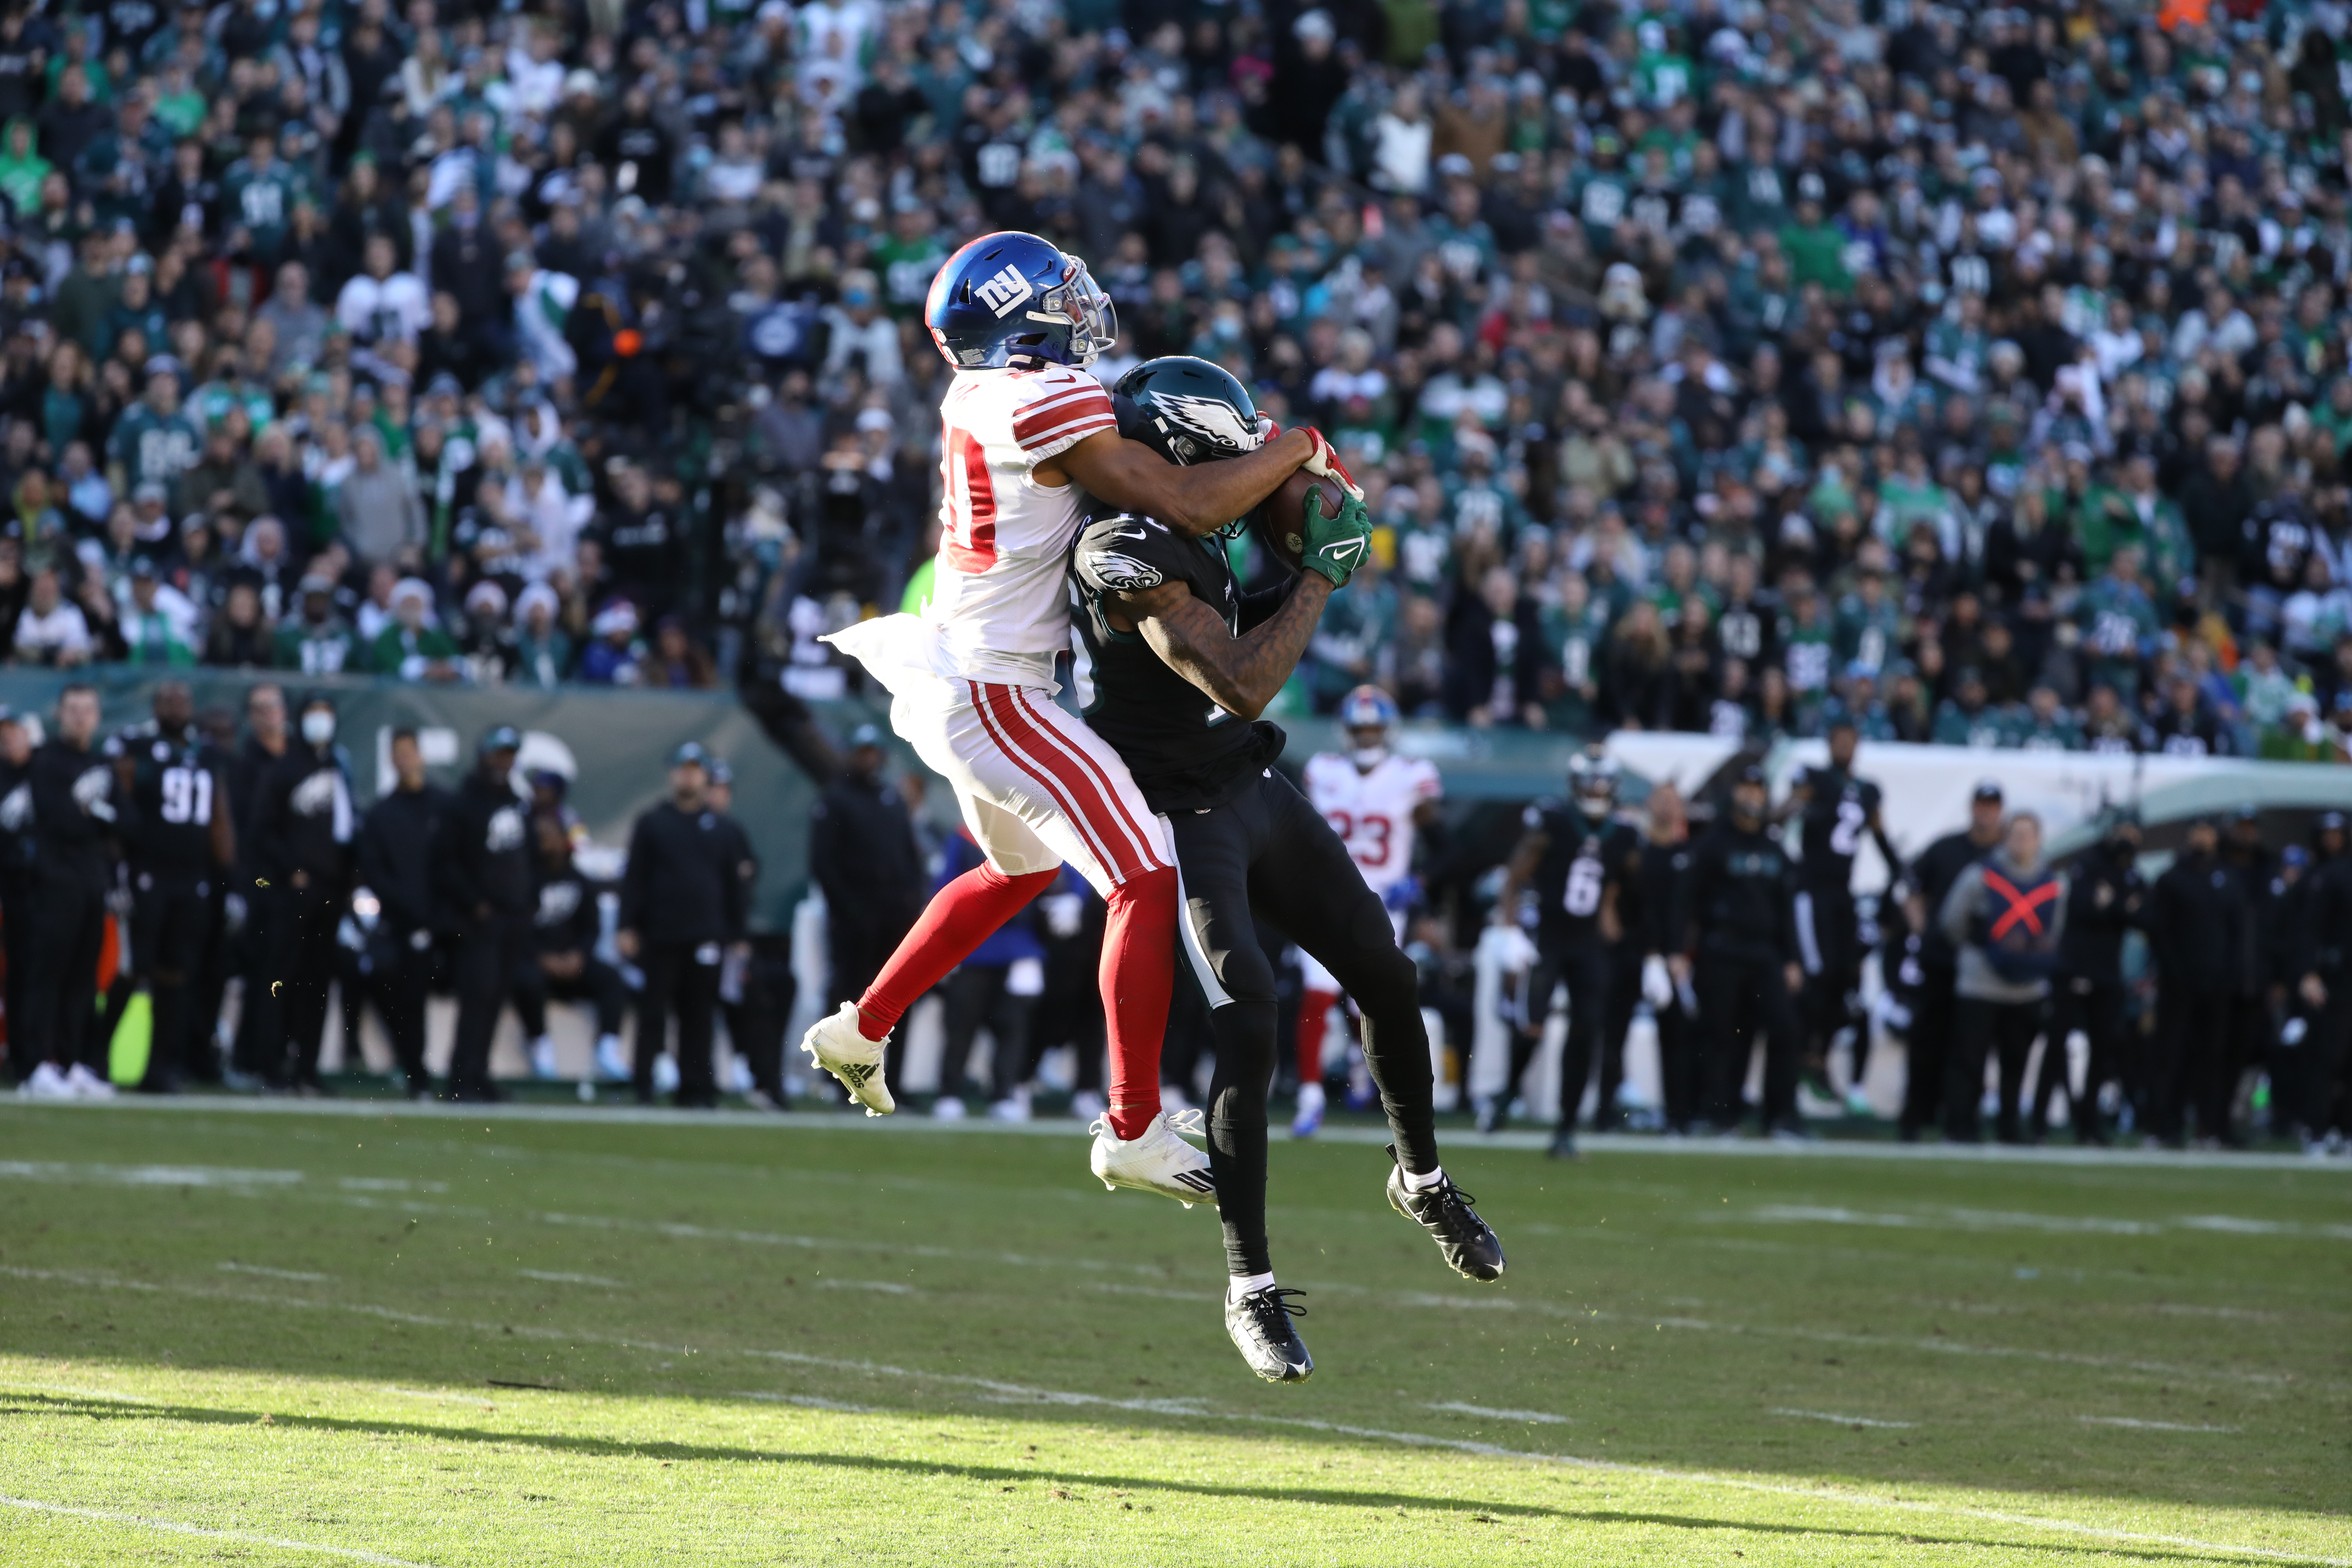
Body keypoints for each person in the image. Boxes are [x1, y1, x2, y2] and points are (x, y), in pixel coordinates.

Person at [807, 231, 1356, 1206]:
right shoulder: (1036, 396)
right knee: (1144, 870)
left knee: (1019, 869)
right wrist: (1296, 448)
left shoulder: (983, 395)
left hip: (964, 672)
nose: (1081, 306)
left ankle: (862, 1029)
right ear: (1023, 316)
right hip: (996, 690)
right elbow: (1186, 504)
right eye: (1061, 295)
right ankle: (1132, 1126)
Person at [1066, 354, 1499, 1383]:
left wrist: (1307, 507)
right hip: (1178, 813)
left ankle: (1420, 1176)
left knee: (1385, 973)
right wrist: (1316, 575)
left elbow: (1265, 547)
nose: (1247, 480)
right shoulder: (1118, 545)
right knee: (1249, 1015)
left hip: (1247, 785)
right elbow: (1241, 677)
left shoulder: (1191, 520)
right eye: (1229, 462)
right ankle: (1249, 1285)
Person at [1291, 684, 1443, 1138]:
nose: (1368, 737)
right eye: (1361, 729)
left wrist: (1420, 881)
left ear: (1389, 731)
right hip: (1326, 894)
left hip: (1381, 900)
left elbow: (1443, 841)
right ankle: (1310, 1097)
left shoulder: (1410, 775)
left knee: (1372, 999)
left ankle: (1366, 1076)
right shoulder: (1324, 771)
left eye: (1375, 729)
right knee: (1317, 993)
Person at [1490, 744, 1643, 1157]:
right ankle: (1506, 1094)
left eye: (1601, 782)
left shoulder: (1624, 834)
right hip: (1549, 937)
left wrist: (1612, 913)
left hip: (1588, 941)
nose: (1595, 789)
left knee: (1586, 1030)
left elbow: (1615, 883)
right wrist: (1511, 931)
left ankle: (1567, 1125)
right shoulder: (1554, 821)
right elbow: (1514, 875)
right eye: (1588, 782)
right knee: (1533, 1027)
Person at [1673, 763, 1806, 1137]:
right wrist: (1679, 950)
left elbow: (1786, 909)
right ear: (1734, 794)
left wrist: (1793, 958)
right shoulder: (1713, 843)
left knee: (1785, 1028)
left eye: (1758, 789)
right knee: (1722, 1035)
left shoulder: (1774, 847)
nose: (1752, 796)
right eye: (1746, 789)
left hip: (1765, 953)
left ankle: (1778, 1116)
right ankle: (1720, 1114)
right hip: (1722, 949)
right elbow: (1687, 902)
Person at [115, 681, 234, 1092]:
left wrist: (229, 876)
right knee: (134, 969)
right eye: (168, 700)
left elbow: (220, 817)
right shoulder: (138, 748)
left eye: (182, 699)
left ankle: (162, 1064)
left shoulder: (206, 754)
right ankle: (96, 1057)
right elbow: (122, 801)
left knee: (177, 974)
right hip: (148, 874)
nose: (176, 706)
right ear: (155, 706)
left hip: (192, 879)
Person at [618, 743, 749, 1108]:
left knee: (700, 1016)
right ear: (672, 773)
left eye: (696, 769)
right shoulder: (653, 822)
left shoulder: (721, 828)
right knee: (653, 1012)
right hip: (660, 934)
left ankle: (696, 1088)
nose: (689, 775)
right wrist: (627, 925)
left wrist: (737, 935)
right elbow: (635, 878)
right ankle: (644, 1084)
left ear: (705, 775)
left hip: (706, 935)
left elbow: (733, 887)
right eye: (683, 768)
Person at [1786, 708, 1902, 1115]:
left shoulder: (1868, 789)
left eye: (1850, 739)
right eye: (1838, 738)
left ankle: (1817, 1056)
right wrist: (1799, 808)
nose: (1844, 746)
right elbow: (1788, 811)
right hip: (1812, 891)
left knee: (1843, 976)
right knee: (1817, 973)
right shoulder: (1813, 779)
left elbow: (1881, 837)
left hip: (1842, 894)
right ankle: (1806, 1057)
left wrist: (1904, 876)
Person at [807, 724, 925, 1092]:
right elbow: (824, 864)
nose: (870, 758)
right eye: (863, 752)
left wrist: (912, 905)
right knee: (849, 997)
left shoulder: (890, 798)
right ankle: (834, 1082)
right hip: (854, 923)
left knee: (897, 998)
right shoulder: (836, 799)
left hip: (894, 921)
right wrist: (850, 910)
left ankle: (895, 1081)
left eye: (875, 751)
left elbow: (910, 856)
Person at [1938, 812, 2068, 1143]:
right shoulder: (1979, 877)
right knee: (1970, 1059)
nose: (2021, 842)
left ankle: (2009, 1126)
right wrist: (1982, 950)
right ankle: (1962, 1124)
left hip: (2027, 987)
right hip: (1981, 983)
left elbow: (2056, 929)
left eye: (2028, 835)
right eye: (2015, 835)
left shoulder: (2053, 883)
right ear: (2005, 838)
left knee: (2017, 1061)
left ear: (2039, 840)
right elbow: (1953, 922)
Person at [250, 693, 356, 1093]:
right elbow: (262, 830)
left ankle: (306, 1067)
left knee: (317, 981)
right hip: (293, 891)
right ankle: (270, 1065)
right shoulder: (283, 770)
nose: (320, 722)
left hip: (330, 890)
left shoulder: (337, 766)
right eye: (314, 715)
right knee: (280, 979)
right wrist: (289, 869)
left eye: (326, 715)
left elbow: (347, 831)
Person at [16, 685, 117, 1097]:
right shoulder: (46, 762)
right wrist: (97, 817)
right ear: (59, 714)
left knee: (82, 980)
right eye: (72, 709)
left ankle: (71, 1061)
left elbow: (127, 820)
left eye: (87, 709)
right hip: (55, 882)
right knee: (47, 976)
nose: (80, 717)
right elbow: (61, 820)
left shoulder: (100, 763)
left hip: (93, 882)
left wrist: (96, 815)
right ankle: (35, 1064)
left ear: (97, 715)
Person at [1899, 780, 2005, 1140]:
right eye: (1981, 804)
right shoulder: (1946, 848)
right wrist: (1921, 928)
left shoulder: (2007, 856)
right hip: (1940, 959)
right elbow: (1911, 889)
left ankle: (1961, 1121)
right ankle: (1915, 1118)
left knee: (1971, 1050)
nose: (1986, 812)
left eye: (1992, 806)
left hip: (1984, 968)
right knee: (1926, 1041)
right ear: (1972, 807)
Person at [434, 727, 534, 1102]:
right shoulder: (463, 803)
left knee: (495, 998)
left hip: (512, 915)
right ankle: (461, 1076)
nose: (504, 762)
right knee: (476, 997)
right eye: (499, 754)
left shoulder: (515, 802)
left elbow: (527, 857)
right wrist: (473, 902)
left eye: (510, 755)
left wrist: (529, 901)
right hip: (477, 919)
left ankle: (480, 1072)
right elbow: (445, 862)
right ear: (483, 756)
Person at [2038, 808, 2144, 1143]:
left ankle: (2089, 1124)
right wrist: (2120, 908)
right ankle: (2038, 1121)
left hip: (2108, 972)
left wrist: (2112, 905)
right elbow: (2084, 907)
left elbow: (2144, 917)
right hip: (2073, 968)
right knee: (2056, 1045)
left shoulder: (2131, 874)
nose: (2128, 839)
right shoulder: (2089, 864)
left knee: (2103, 1049)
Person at [354, 727, 448, 1099]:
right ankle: (414, 1069)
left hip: (446, 922)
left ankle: (467, 1073)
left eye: (411, 751)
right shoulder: (382, 814)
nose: (406, 759)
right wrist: (410, 910)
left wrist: (439, 913)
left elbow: (456, 863)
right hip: (401, 923)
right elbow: (374, 872)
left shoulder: (445, 806)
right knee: (388, 978)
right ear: (391, 759)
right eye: (399, 753)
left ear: (421, 755)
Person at [928, 824, 1046, 1120]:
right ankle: (950, 1092)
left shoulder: (1036, 831)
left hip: (1017, 948)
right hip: (974, 947)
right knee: (961, 1025)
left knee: (1012, 1025)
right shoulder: (966, 836)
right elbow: (945, 888)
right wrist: (945, 944)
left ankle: (1004, 1093)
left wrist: (1032, 949)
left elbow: (1061, 879)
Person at [2146, 818, 2249, 1147]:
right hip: (2178, 984)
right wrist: (2173, 970)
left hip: (2217, 985)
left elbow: (2238, 931)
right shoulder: (2172, 878)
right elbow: (2158, 931)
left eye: (2208, 831)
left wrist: (2231, 973)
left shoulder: (2228, 878)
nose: (2203, 838)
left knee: (2213, 1058)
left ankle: (2210, 1127)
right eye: (2197, 831)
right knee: (2171, 1055)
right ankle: (2165, 1127)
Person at [517, 811, 629, 1086]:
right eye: (541, 838)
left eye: (552, 837)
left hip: (574, 962)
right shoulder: (523, 882)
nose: (548, 844)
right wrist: (543, 958)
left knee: (612, 978)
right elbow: (517, 931)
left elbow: (591, 928)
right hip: (538, 963)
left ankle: (608, 1046)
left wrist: (578, 955)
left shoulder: (581, 881)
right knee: (524, 980)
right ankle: (540, 1044)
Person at [1637, 784, 1699, 1133]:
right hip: (1638, 955)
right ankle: (1605, 1110)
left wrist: (1682, 954)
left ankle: (1680, 1115)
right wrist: (1648, 953)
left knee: (1678, 1036)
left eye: (1673, 800)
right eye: (1660, 798)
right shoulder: (1638, 849)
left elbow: (1693, 911)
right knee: (1612, 1027)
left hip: (1675, 959)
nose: (1666, 806)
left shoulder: (1689, 853)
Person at [2291, 813, 2352, 1148]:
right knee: (2327, 1056)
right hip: (2334, 978)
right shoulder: (2324, 877)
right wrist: (2307, 972)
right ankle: (2316, 1129)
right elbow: (2308, 930)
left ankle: (2345, 1129)